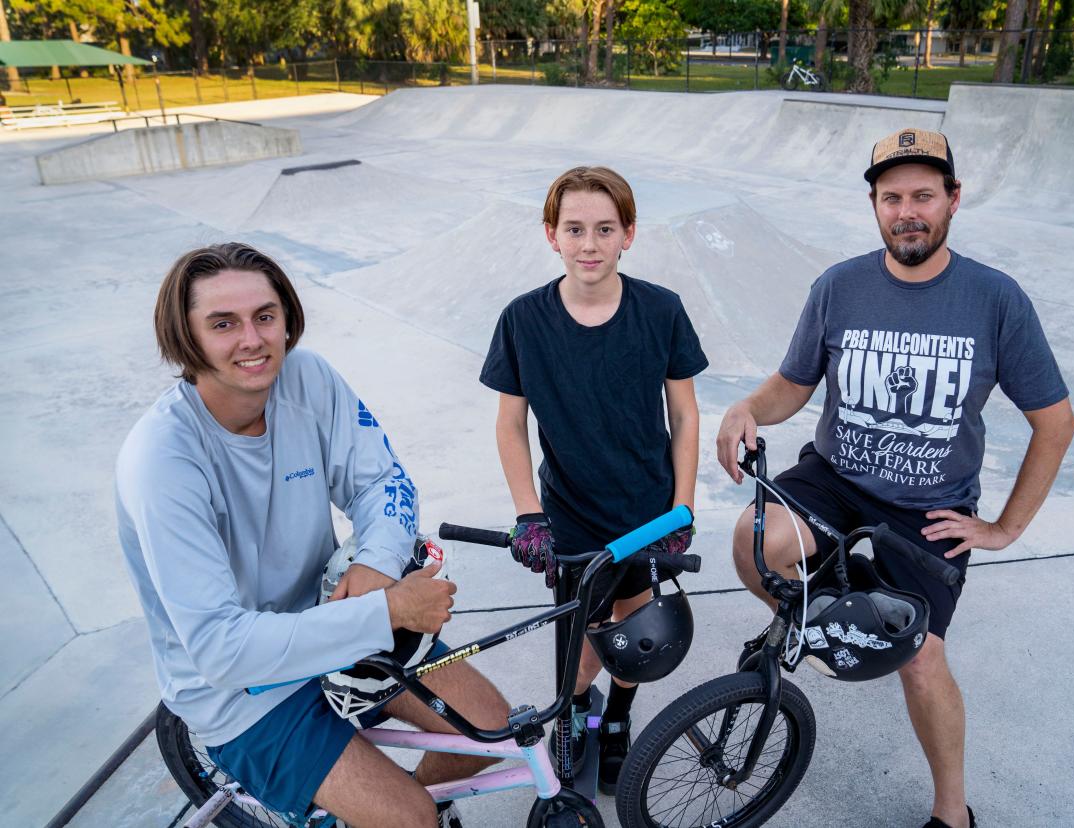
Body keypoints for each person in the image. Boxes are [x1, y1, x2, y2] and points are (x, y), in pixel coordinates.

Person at [716, 129, 1074, 828]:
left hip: (928, 508)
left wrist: (1004, 528)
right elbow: (793, 383)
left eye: (922, 196)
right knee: (752, 540)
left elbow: (1055, 423)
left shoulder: (995, 299)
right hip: (836, 479)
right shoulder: (840, 286)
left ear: (952, 200)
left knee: (920, 661)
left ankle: (952, 814)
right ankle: (814, 624)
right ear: (874, 206)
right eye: (891, 198)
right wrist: (747, 407)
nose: (906, 211)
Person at [116, 243, 509, 828]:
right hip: (242, 690)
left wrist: (377, 565)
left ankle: (386, 804)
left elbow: (383, 480)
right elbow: (223, 649)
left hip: (334, 623)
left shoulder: (309, 377)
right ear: (186, 336)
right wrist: (388, 611)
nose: (252, 339)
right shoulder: (162, 460)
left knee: (489, 727)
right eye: (223, 323)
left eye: (265, 316)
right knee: (412, 820)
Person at [479, 166, 707, 793]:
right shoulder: (523, 319)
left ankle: (619, 722)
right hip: (571, 516)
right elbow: (509, 423)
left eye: (605, 229)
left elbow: (685, 414)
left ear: (628, 234)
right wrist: (529, 513)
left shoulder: (660, 310)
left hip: (646, 513)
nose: (589, 243)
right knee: (579, 653)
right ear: (551, 234)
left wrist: (681, 509)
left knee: (637, 639)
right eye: (574, 229)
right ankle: (575, 715)